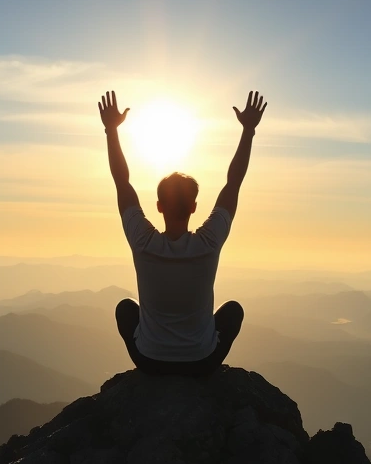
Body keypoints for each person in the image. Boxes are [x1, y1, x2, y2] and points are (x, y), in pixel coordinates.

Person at [99, 90, 267, 376]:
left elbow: (121, 181)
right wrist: (248, 130)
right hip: (201, 362)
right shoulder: (209, 242)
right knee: (233, 311)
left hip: (150, 362)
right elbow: (233, 183)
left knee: (125, 308)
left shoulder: (142, 241)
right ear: (194, 206)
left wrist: (111, 130)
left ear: (159, 206)